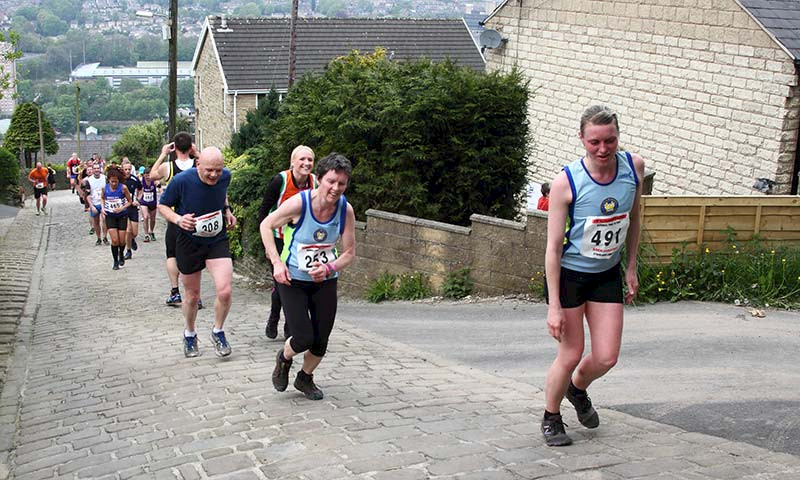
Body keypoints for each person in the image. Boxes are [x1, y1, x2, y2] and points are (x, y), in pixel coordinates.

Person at [540, 105, 645, 447]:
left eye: (610, 141)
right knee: (571, 353)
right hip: (569, 276)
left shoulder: (634, 167)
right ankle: (551, 417)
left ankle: (577, 389)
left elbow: (634, 220)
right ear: (582, 139)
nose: (603, 149)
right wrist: (553, 306)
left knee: (606, 357)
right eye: (594, 142)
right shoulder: (566, 181)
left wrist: (630, 267)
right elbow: (553, 248)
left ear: (618, 137)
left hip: (606, 275)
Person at [260, 153, 356, 401]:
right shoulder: (299, 203)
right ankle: (284, 358)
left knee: (321, 339)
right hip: (293, 280)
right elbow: (266, 225)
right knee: (303, 337)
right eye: (331, 181)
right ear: (320, 179)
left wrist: (328, 268)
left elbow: (349, 254)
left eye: (341, 184)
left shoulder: (345, 210)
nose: (335, 188)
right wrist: (276, 263)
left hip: (324, 281)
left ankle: (305, 377)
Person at [158, 146, 237, 358]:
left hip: (216, 239)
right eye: (209, 170)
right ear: (198, 164)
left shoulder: (225, 177)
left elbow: (222, 194)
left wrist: (227, 211)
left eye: (218, 170)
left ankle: (218, 331)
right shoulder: (181, 181)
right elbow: (163, 206)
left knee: (225, 291)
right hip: (189, 242)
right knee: (192, 296)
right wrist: (178, 219)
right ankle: (190, 333)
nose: (214, 175)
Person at [257, 145, 318, 340]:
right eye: (302, 159)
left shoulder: (315, 182)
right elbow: (264, 211)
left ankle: (290, 324)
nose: (306, 163)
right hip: (279, 239)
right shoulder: (280, 181)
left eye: (310, 160)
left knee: (298, 283)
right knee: (282, 281)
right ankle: (275, 317)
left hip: (302, 243)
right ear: (292, 162)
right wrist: (268, 246)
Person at [149, 132, 200, 307]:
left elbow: (152, 175)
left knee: (172, 254)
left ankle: (175, 291)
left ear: (175, 148)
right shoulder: (198, 166)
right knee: (193, 256)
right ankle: (195, 294)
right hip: (195, 218)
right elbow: (214, 167)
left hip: (174, 218)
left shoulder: (168, 168)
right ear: (190, 147)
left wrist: (163, 153)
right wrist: (197, 152)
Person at [102, 166, 133, 270]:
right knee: (115, 240)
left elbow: (130, 201)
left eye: (115, 182)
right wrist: (102, 208)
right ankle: (115, 261)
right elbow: (102, 198)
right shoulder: (104, 188)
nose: (114, 184)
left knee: (122, 241)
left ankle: (121, 253)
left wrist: (121, 208)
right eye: (112, 182)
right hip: (110, 215)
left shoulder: (123, 188)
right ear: (108, 180)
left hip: (122, 215)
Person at [121, 159, 142, 260]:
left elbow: (141, 189)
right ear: (122, 169)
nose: (127, 171)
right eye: (125, 169)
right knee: (128, 230)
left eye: (129, 169)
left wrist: (138, 198)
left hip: (133, 207)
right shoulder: (119, 180)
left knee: (134, 232)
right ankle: (128, 251)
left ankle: (132, 239)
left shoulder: (134, 179)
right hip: (124, 208)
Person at [84, 163, 109, 245]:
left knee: (105, 219)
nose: (96, 170)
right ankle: (98, 238)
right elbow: (87, 195)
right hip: (94, 203)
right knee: (96, 222)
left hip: (104, 203)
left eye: (98, 168)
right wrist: (91, 206)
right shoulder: (89, 180)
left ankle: (105, 237)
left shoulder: (105, 178)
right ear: (92, 170)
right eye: (95, 168)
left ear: (100, 169)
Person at [139, 168, 158, 242]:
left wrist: (158, 185)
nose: (147, 177)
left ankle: (151, 231)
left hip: (153, 202)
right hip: (144, 202)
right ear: (143, 175)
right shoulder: (141, 181)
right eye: (146, 176)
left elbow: (159, 186)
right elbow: (139, 190)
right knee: (145, 217)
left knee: (153, 219)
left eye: (149, 175)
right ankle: (146, 234)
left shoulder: (154, 181)